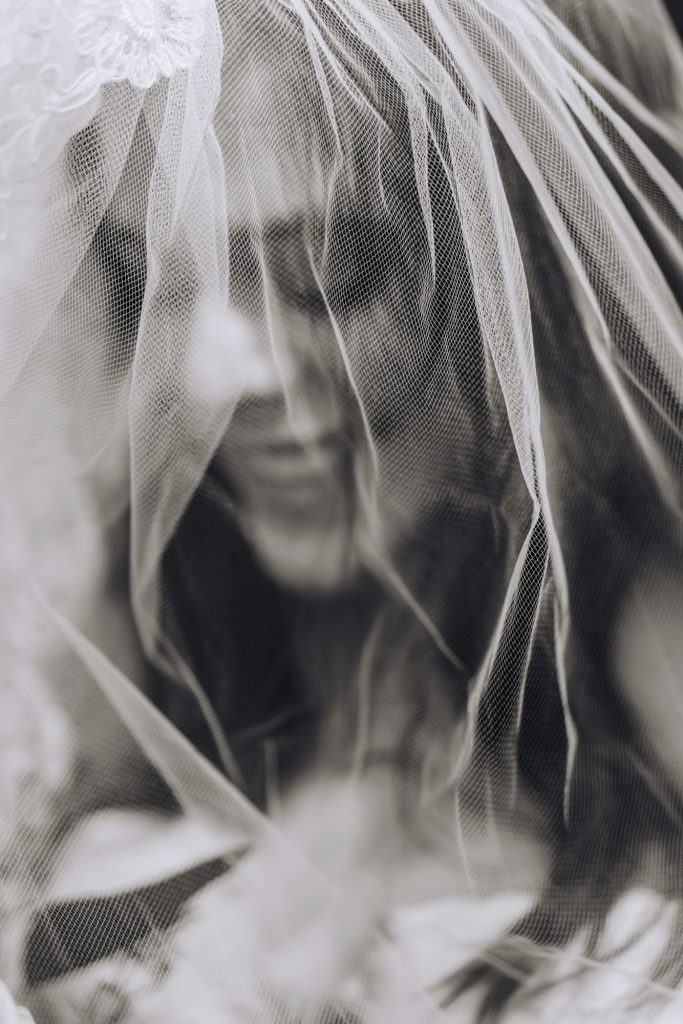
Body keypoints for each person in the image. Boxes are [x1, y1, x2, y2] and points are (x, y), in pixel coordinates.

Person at [3, 1, 683, 1021]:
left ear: (527, 265)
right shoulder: (98, 650)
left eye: (325, 270)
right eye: (149, 279)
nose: (203, 371)